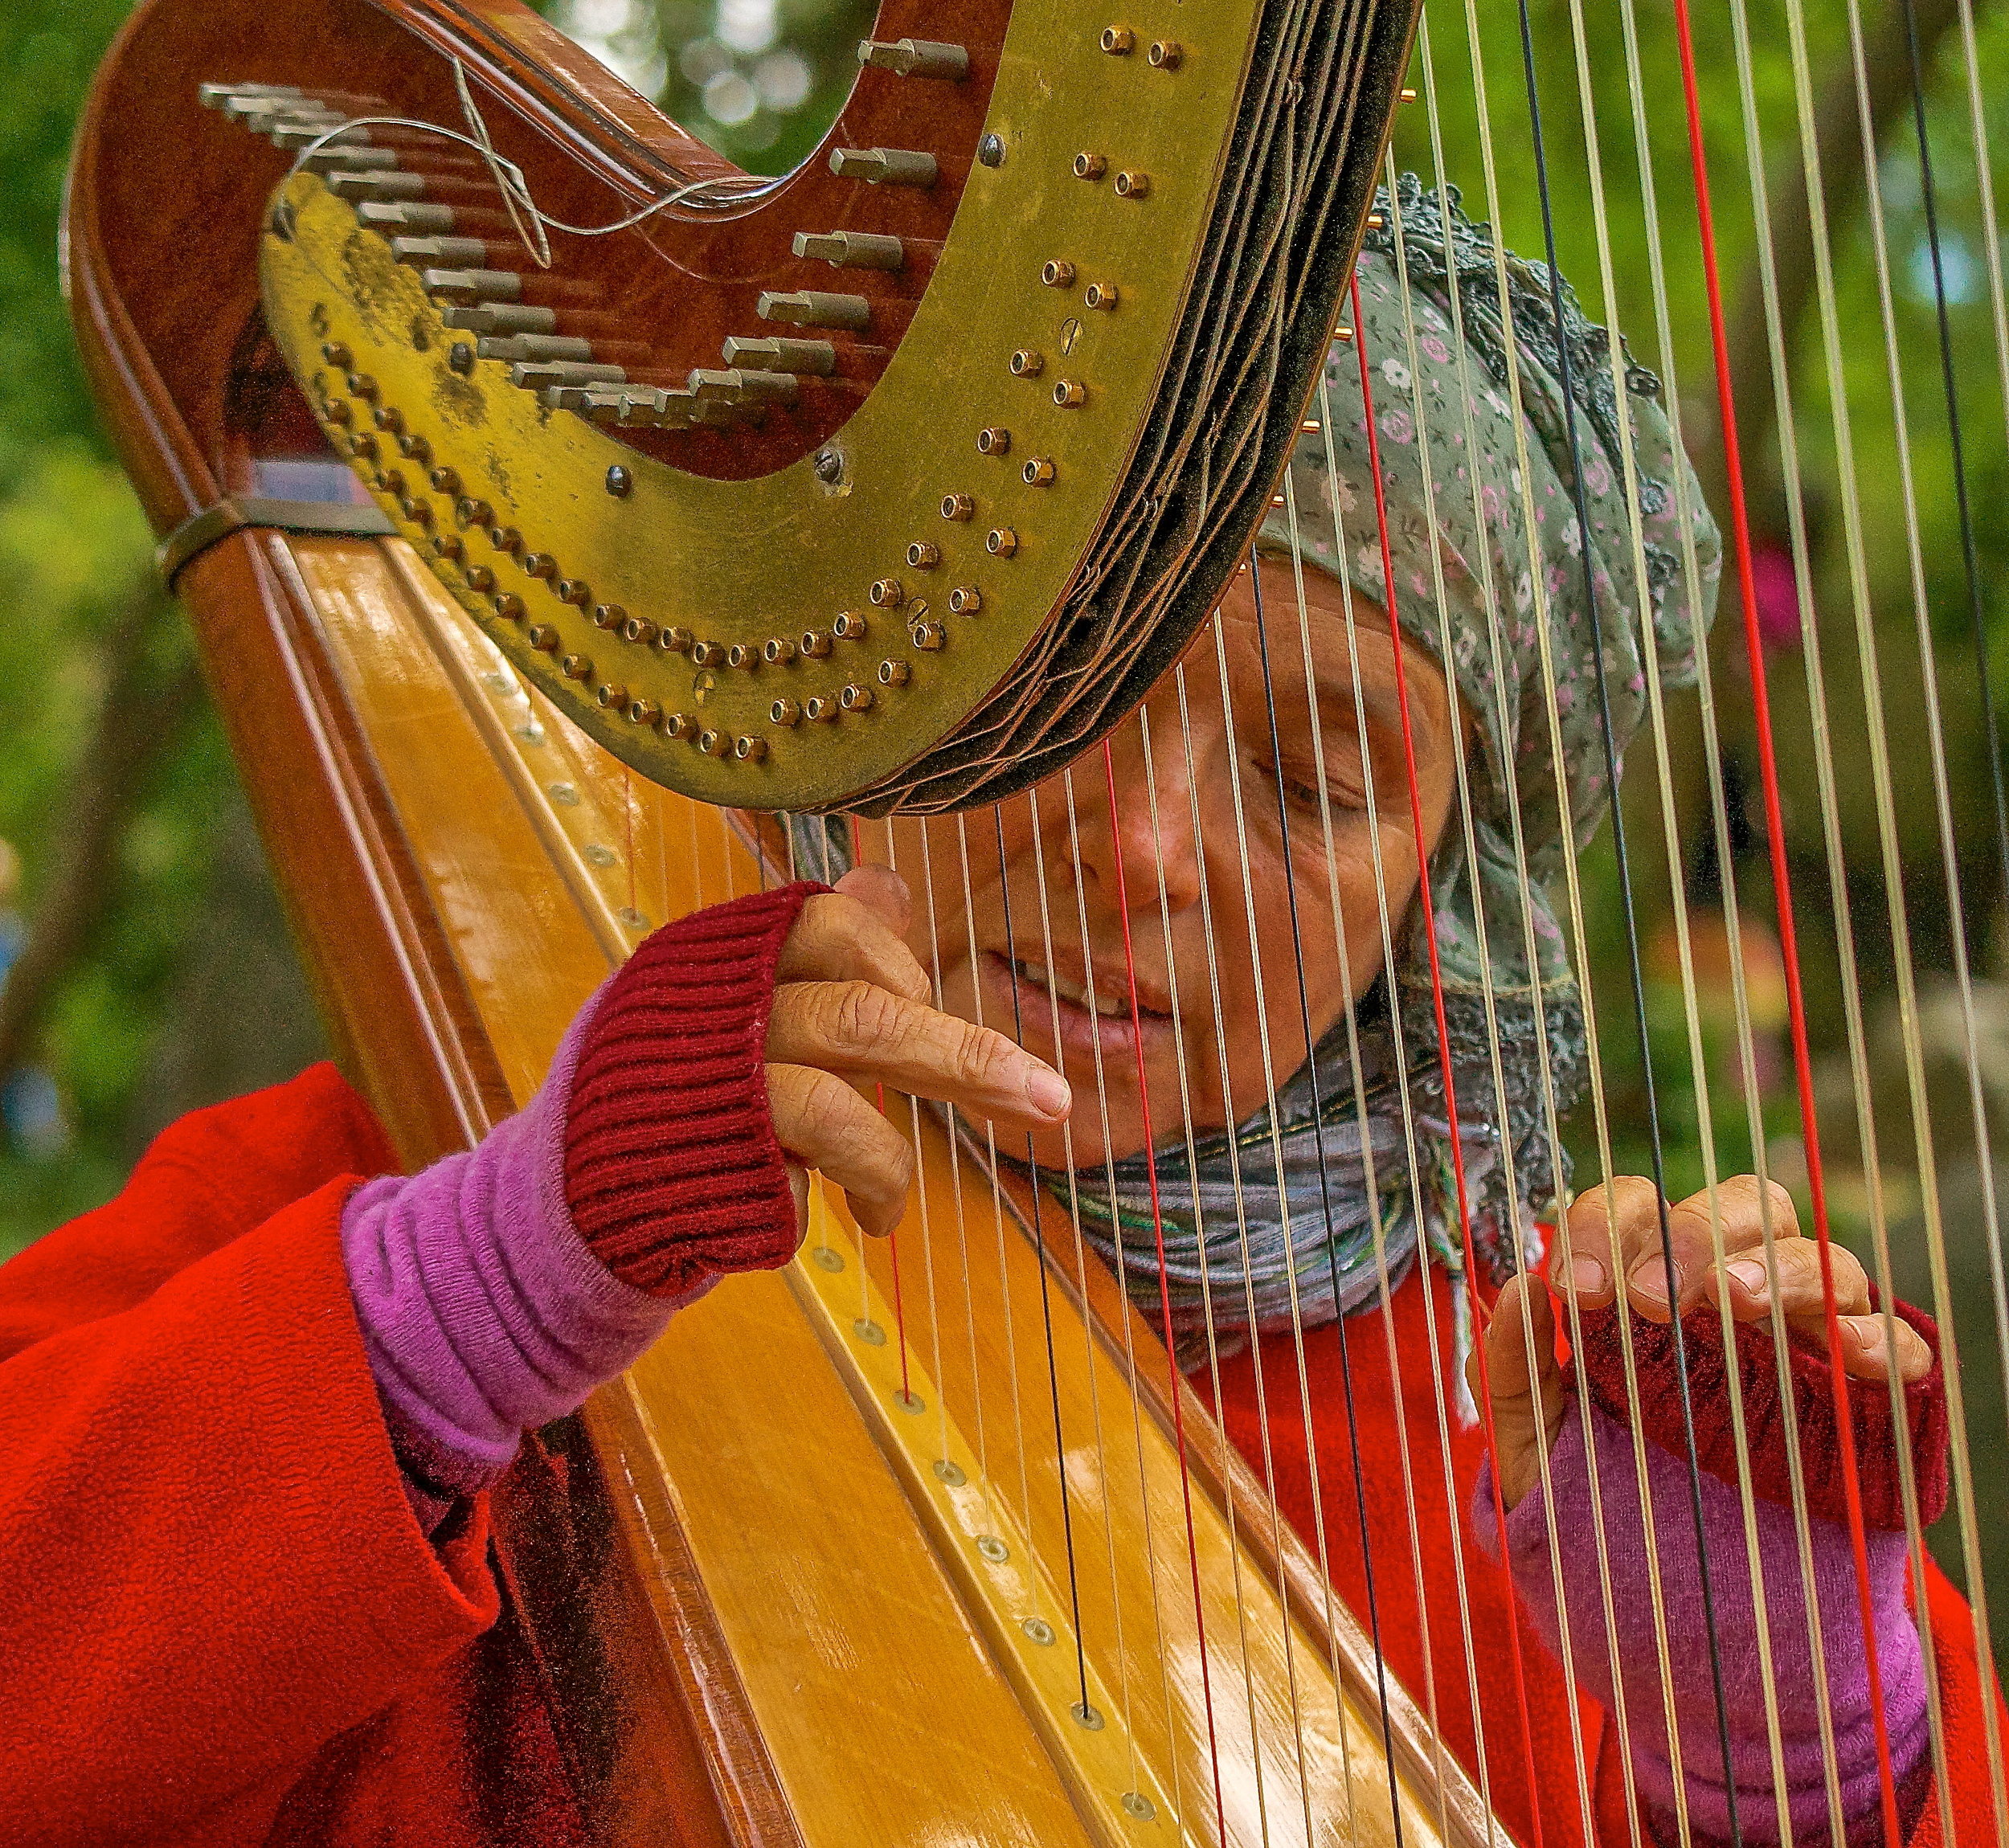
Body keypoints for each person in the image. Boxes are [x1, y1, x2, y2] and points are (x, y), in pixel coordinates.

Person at [0, 182, 1995, 1848]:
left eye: (1310, 783)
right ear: (890, 685)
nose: (1145, 855)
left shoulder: (1564, 1422)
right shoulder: (453, 1181)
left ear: (1438, 902)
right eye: (1073, 699)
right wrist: (488, 1294)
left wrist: (1806, 1758)